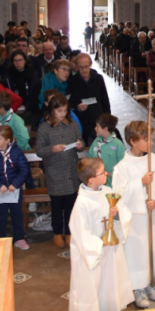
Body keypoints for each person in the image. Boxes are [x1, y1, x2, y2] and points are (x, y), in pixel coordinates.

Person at [112, 120, 155, 309]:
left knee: (150, 250)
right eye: (145, 139)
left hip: (151, 215)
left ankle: (148, 283)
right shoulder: (122, 167)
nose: (151, 143)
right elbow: (118, 194)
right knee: (136, 253)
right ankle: (137, 288)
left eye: (150, 138)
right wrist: (140, 183)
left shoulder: (154, 160)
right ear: (132, 141)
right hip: (135, 220)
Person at [69, 157, 133, 311]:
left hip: (110, 252)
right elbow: (80, 233)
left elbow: (124, 212)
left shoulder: (107, 192)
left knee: (110, 284)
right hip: (93, 255)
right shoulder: (82, 203)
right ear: (91, 180)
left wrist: (116, 215)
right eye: (102, 173)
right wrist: (100, 243)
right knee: (93, 287)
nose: (107, 174)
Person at [36, 93, 86, 248]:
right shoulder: (44, 127)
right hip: (54, 170)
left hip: (71, 169)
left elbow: (81, 142)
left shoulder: (72, 125)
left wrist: (80, 145)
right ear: (52, 111)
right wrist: (53, 149)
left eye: (65, 111)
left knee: (71, 205)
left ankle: (70, 233)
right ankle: (57, 233)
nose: (62, 114)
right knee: (57, 206)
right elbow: (39, 151)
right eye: (59, 111)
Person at [0, 125, 30, 250]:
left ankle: (19, 238)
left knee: (17, 214)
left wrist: (16, 184)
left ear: (7, 140)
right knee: (0, 216)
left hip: (14, 189)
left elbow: (24, 170)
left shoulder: (17, 152)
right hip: (0, 190)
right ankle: (0, 239)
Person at [68, 53, 111, 146]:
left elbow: (105, 99)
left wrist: (108, 119)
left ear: (90, 65)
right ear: (76, 66)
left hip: (98, 117)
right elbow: (70, 102)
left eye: (86, 66)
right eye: (81, 67)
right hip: (82, 119)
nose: (84, 70)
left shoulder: (98, 78)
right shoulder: (72, 81)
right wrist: (77, 106)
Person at [86, 113, 125, 188]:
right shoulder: (96, 142)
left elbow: (124, 165)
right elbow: (89, 157)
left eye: (97, 126)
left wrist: (110, 174)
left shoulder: (117, 145)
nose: (95, 128)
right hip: (97, 184)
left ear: (105, 129)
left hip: (112, 185)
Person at [5, 49, 39, 115]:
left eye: (20, 60)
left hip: (31, 108)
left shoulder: (33, 75)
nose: (18, 63)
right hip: (13, 108)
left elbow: (34, 94)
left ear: (25, 60)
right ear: (12, 62)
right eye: (15, 60)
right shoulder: (8, 76)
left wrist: (26, 106)